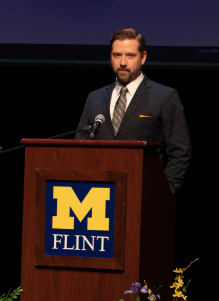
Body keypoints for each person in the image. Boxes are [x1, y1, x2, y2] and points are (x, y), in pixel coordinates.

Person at [76, 28, 191, 195]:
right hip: (96, 197)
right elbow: (80, 149)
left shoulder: (164, 97)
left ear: (143, 57)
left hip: (142, 195)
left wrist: (161, 193)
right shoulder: (94, 97)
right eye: (117, 55)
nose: (123, 62)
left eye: (130, 55)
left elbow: (180, 152)